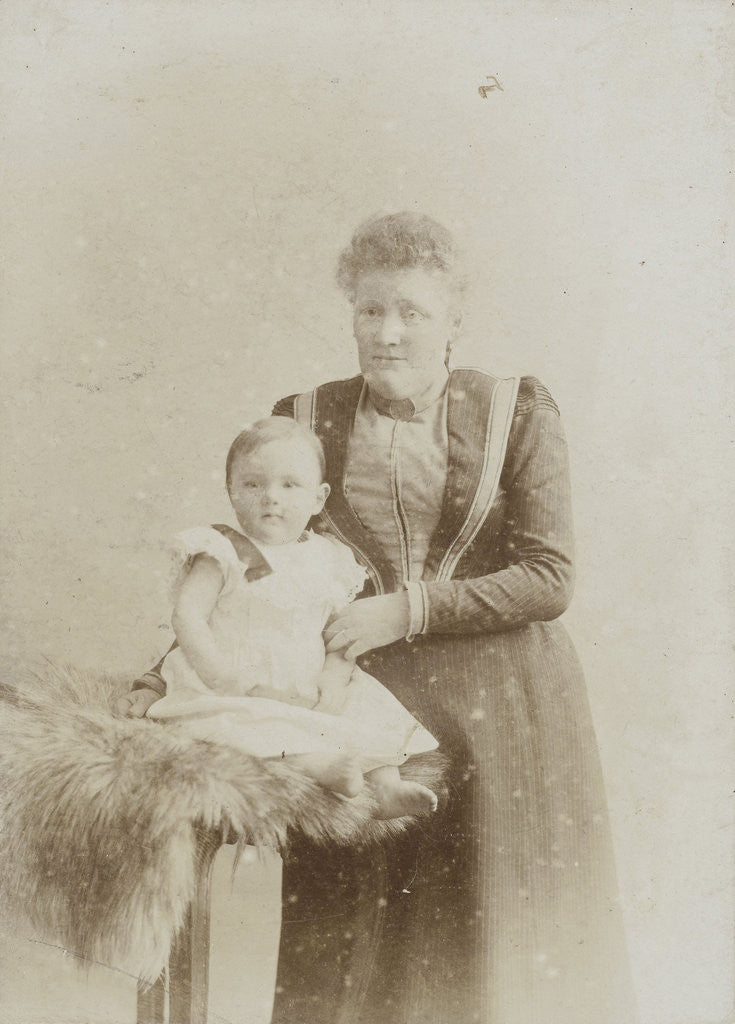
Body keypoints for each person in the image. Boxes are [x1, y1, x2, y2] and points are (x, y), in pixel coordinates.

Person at [123, 212, 637, 1023]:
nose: (388, 333)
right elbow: (264, 572)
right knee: (346, 957)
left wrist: (408, 608)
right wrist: (167, 673)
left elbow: (549, 577)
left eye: (412, 312)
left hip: (499, 712)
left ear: (452, 324)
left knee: (493, 958)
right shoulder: (305, 416)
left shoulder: (517, 410)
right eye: (369, 311)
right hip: (350, 716)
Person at [144, 417, 439, 819]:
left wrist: (334, 678)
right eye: (252, 484)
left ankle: (387, 787)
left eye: (289, 485)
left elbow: (339, 632)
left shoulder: (328, 558)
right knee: (248, 729)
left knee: (363, 709)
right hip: (240, 685)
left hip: (306, 686)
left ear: (318, 499)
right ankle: (317, 766)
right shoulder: (222, 550)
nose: (270, 497)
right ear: (231, 491)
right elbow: (187, 616)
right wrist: (222, 678)